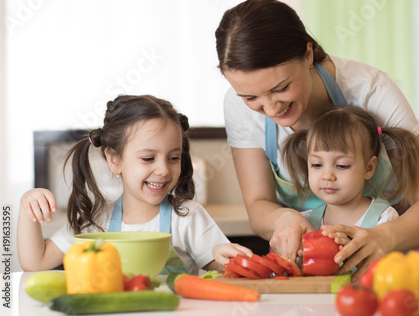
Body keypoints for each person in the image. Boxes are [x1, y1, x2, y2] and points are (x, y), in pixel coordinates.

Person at [215, 0, 419, 280]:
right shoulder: (237, 106)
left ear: (308, 54)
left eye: (281, 88)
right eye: (251, 97)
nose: (271, 108)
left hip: (389, 268)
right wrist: (283, 218)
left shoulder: (371, 90)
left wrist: (382, 236)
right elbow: (258, 203)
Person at [17, 94, 251, 275]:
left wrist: (223, 258)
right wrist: (27, 207)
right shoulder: (95, 220)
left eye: (173, 158)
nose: (163, 170)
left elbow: (223, 269)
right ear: (115, 160)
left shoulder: (187, 217)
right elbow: (35, 262)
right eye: (148, 158)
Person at [283, 106, 419, 238]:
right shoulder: (304, 222)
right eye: (317, 164)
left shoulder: (384, 218)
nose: (327, 176)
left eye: (342, 166)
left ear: (369, 168)